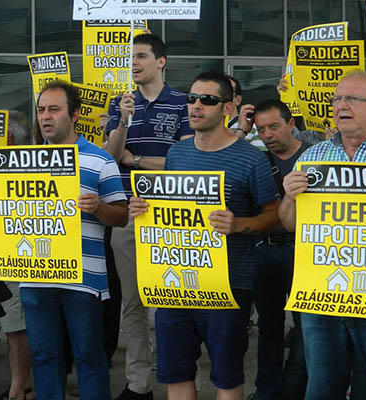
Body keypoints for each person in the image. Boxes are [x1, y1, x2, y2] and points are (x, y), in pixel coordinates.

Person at [129, 71, 280, 400]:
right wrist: (145, 209)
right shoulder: (177, 155)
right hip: (176, 283)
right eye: (191, 98)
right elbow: (168, 208)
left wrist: (238, 224)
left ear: (227, 109)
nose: (196, 106)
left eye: (207, 100)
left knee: (226, 377)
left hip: (228, 286)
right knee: (176, 374)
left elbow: (275, 215)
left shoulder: (251, 159)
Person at [278, 70, 366, 400]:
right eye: (337, 98)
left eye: (352, 98)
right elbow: (290, 224)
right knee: (322, 387)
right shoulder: (312, 157)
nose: (341, 105)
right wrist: (290, 197)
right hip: (322, 297)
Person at [103, 32, 193, 400]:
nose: (134, 63)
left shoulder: (185, 103)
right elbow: (111, 155)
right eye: (131, 57)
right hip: (127, 213)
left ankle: (177, 378)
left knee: (171, 302)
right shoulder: (119, 103)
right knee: (133, 303)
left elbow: (186, 160)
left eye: (141, 56)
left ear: (161, 61)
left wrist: (137, 161)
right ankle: (138, 384)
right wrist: (123, 120)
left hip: (170, 217)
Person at [26, 81, 128, 399]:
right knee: (43, 358)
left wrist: (99, 207)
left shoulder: (101, 160)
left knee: (89, 356)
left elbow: (121, 215)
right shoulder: (21, 163)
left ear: (75, 114)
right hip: (35, 275)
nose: (46, 116)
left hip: (84, 279)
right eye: (41, 110)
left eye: (54, 109)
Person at [248, 99, 312, 400]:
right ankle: (266, 391)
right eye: (261, 129)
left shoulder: (315, 157)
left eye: (274, 126)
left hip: (303, 252)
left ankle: (293, 390)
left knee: (305, 327)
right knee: (268, 326)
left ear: (290, 124)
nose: (267, 134)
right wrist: (242, 129)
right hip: (264, 251)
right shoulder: (256, 159)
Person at [0, 110, 36, 400]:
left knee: (15, 328)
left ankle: (19, 388)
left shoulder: (27, 167)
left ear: (7, 137)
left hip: (14, 260)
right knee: (8, 327)